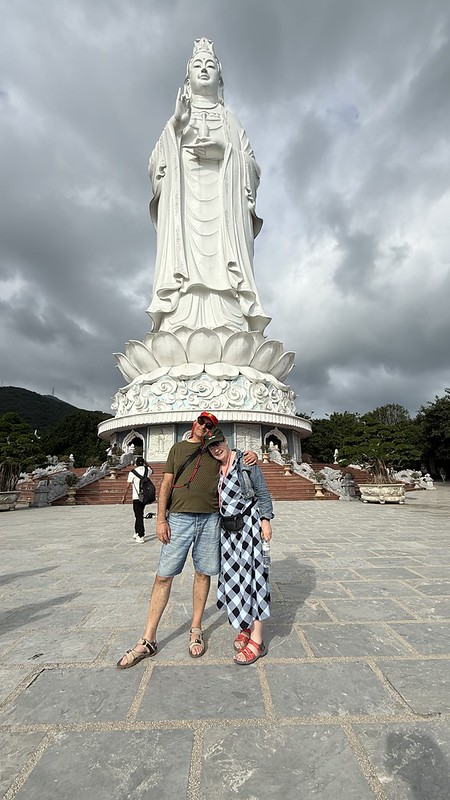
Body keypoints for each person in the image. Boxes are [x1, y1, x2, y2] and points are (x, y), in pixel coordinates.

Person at [146, 37, 270, 335]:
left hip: (223, 217)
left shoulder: (231, 122)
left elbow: (252, 167)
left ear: (220, 78)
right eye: (198, 66)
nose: (204, 70)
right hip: (185, 217)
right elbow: (155, 166)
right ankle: (179, 319)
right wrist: (175, 125)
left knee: (225, 274)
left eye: (210, 65)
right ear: (187, 79)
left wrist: (225, 152)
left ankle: (232, 323)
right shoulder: (176, 122)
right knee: (185, 272)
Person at [116, 411, 257, 667]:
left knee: (203, 573)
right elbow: (166, 484)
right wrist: (160, 520)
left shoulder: (216, 450)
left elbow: (235, 459)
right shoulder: (178, 449)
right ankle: (148, 638)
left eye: (210, 425)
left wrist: (252, 455)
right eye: (202, 422)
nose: (204, 427)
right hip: (179, 519)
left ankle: (196, 629)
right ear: (195, 423)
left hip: (210, 519)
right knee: (163, 575)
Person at [207, 427, 273, 665]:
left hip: (249, 528)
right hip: (228, 533)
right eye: (211, 446)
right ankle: (244, 625)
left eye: (218, 443)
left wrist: (266, 520)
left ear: (226, 440)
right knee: (235, 579)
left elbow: (263, 493)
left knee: (255, 579)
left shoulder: (246, 461)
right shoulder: (214, 467)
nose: (216, 449)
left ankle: (257, 639)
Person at [122, 456, 154, 542]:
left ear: (136, 463)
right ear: (143, 462)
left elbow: (128, 486)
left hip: (137, 497)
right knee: (138, 515)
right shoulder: (147, 470)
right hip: (145, 496)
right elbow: (152, 470)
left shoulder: (132, 472)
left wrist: (124, 496)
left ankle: (141, 535)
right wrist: (146, 463)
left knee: (138, 515)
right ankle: (137, 532)